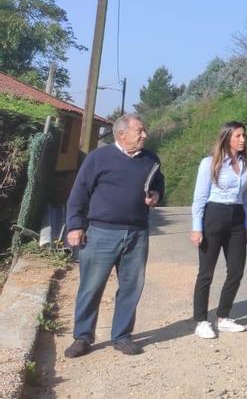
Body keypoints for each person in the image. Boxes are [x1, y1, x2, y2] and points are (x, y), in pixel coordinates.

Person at [63, 113, 165, 358]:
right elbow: (79, 193)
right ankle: (83, 336)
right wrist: (74, 226)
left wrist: (156, 195)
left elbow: (159, 184)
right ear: (122, 134)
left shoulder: (151, 159)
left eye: (143, 131)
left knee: (131, 287)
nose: (144, 135)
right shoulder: (99, 158)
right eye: (139, 131)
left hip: (137, 233)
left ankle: (121, 336)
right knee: (91, 286)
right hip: (101, 233)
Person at [190, 120, 247, 339]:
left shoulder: (245, 164)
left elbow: (246, 198)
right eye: (238, 136)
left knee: (236, 270)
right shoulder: (210, 163)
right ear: (227, 138)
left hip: (236, 218)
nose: (243, 139)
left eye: (244, 135)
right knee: (206, 272)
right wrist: (196, 228)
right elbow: (199, 198)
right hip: (214, 216)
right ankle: (200, 321)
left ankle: (223, 317)